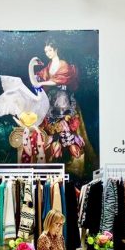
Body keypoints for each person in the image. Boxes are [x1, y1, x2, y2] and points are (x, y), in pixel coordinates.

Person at [34, 38, 97, 178]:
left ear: (56, 49)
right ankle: (53, 165)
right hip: (52, 103)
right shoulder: (49, 66)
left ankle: (73, 168)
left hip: (64, 101)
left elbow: (57, 80)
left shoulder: (63, 65)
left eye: (50, 50)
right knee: (51, 133)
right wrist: (36, 78)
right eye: (46, 51)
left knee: (68, 132)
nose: (48, 53)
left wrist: (42, 83)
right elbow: (42, 76)